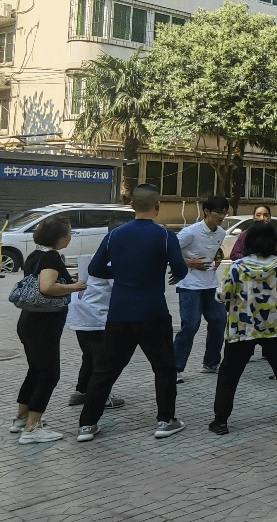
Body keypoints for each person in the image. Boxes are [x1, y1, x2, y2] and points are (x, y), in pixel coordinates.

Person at [77, 184, 192, 442]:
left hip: (119, 314)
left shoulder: (115, 235)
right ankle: (165, 420)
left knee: (105, 370)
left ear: (132, 205)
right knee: (164, 368)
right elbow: (180, 269)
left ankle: (87, 425)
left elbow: (94, 269)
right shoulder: (165, 236)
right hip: (153, 312)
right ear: (158, 205)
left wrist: (119, 273)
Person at [209, 221, 277, 434]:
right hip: (275, 328)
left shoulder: (236, 267)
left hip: (242, 329)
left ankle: (221, 421)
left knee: (229, 375)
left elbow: (223, 296)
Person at [11, 216, 85, 443]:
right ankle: (32, 429)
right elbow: (46, 287)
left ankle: (22, 419)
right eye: (69, 233)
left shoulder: (35, 255)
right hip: (43, 326)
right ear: (59, 238)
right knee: (49, 374)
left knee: (35, 371)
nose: (70, 237)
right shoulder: (52, 256)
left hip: (28, 322)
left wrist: (67, 279)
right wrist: (75, 287)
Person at [173, 196, 230, 384]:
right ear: (206, 212)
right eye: (218, 212)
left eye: (225, 213)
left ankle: (211, 363)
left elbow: (214, 248)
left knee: (219, 320)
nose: (222, 216)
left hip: (210, 283)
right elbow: (168, 249)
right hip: (189, 285)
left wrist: (218, 255)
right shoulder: (190, 232)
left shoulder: (221, 232)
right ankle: (175, 368)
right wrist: (187, 262)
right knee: (190, 325)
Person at [65, 260, 126, 410]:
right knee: (102, 358)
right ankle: (102, 396)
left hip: (80, 314)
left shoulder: (91, 260)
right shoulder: (113, 263)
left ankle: (81, 391)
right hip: (96, 316)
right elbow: (120, 288)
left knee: (89, 356)